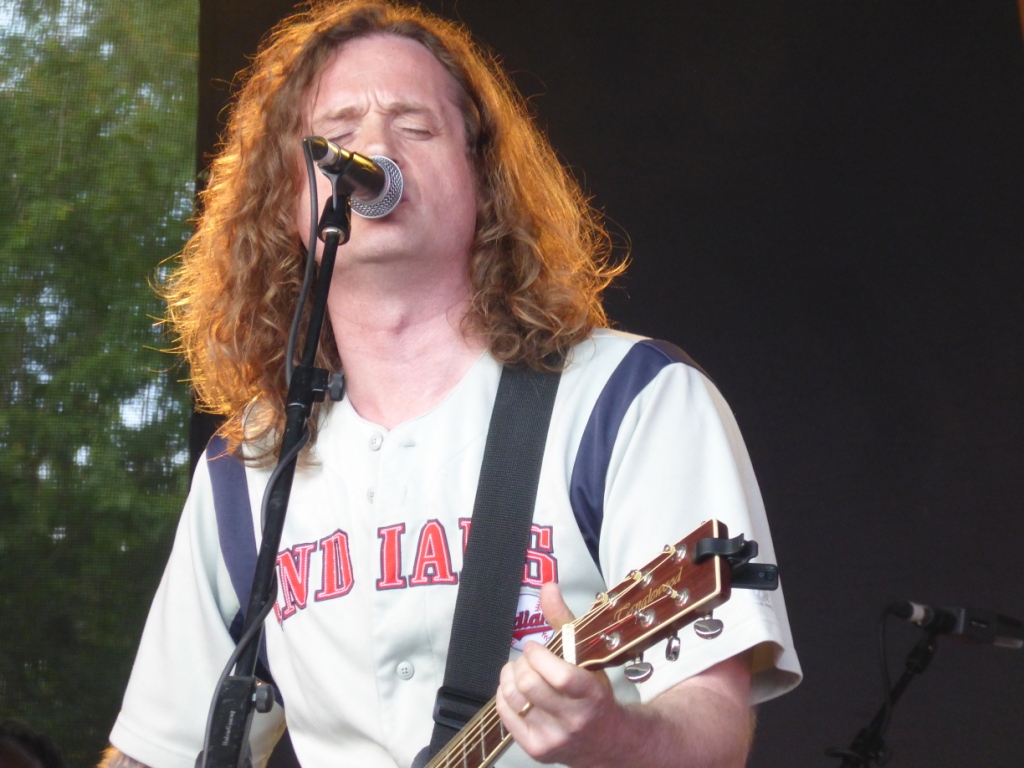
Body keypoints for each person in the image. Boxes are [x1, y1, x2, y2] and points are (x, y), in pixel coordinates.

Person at [101, 1, 801, 766]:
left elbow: (711, 731)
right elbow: (155, 750)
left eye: (415, 127)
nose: (372, 148)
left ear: (483, 178)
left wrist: (613, 737)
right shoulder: (246, 471)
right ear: (285, 199)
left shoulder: (628, 402)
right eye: (336, 134)